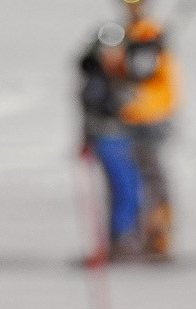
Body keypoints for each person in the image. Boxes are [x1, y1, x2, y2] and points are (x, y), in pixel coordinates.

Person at [113, 0, 180, 258]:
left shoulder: (149, 33)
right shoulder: (126, 32)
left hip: (152, 116)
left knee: (152, 177)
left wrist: (140, 50)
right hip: (131, 117)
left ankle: (158, 236)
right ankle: (139, 236)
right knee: (134, 180)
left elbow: (143, 69)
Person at [76, 21, 141, 260]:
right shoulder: (98, 80)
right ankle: (120, 242)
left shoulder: (112, 77)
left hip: (118, 139)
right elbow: (100, 108)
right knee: (125, 192)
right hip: (109, 140)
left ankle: (127, 240)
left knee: (131, 190)